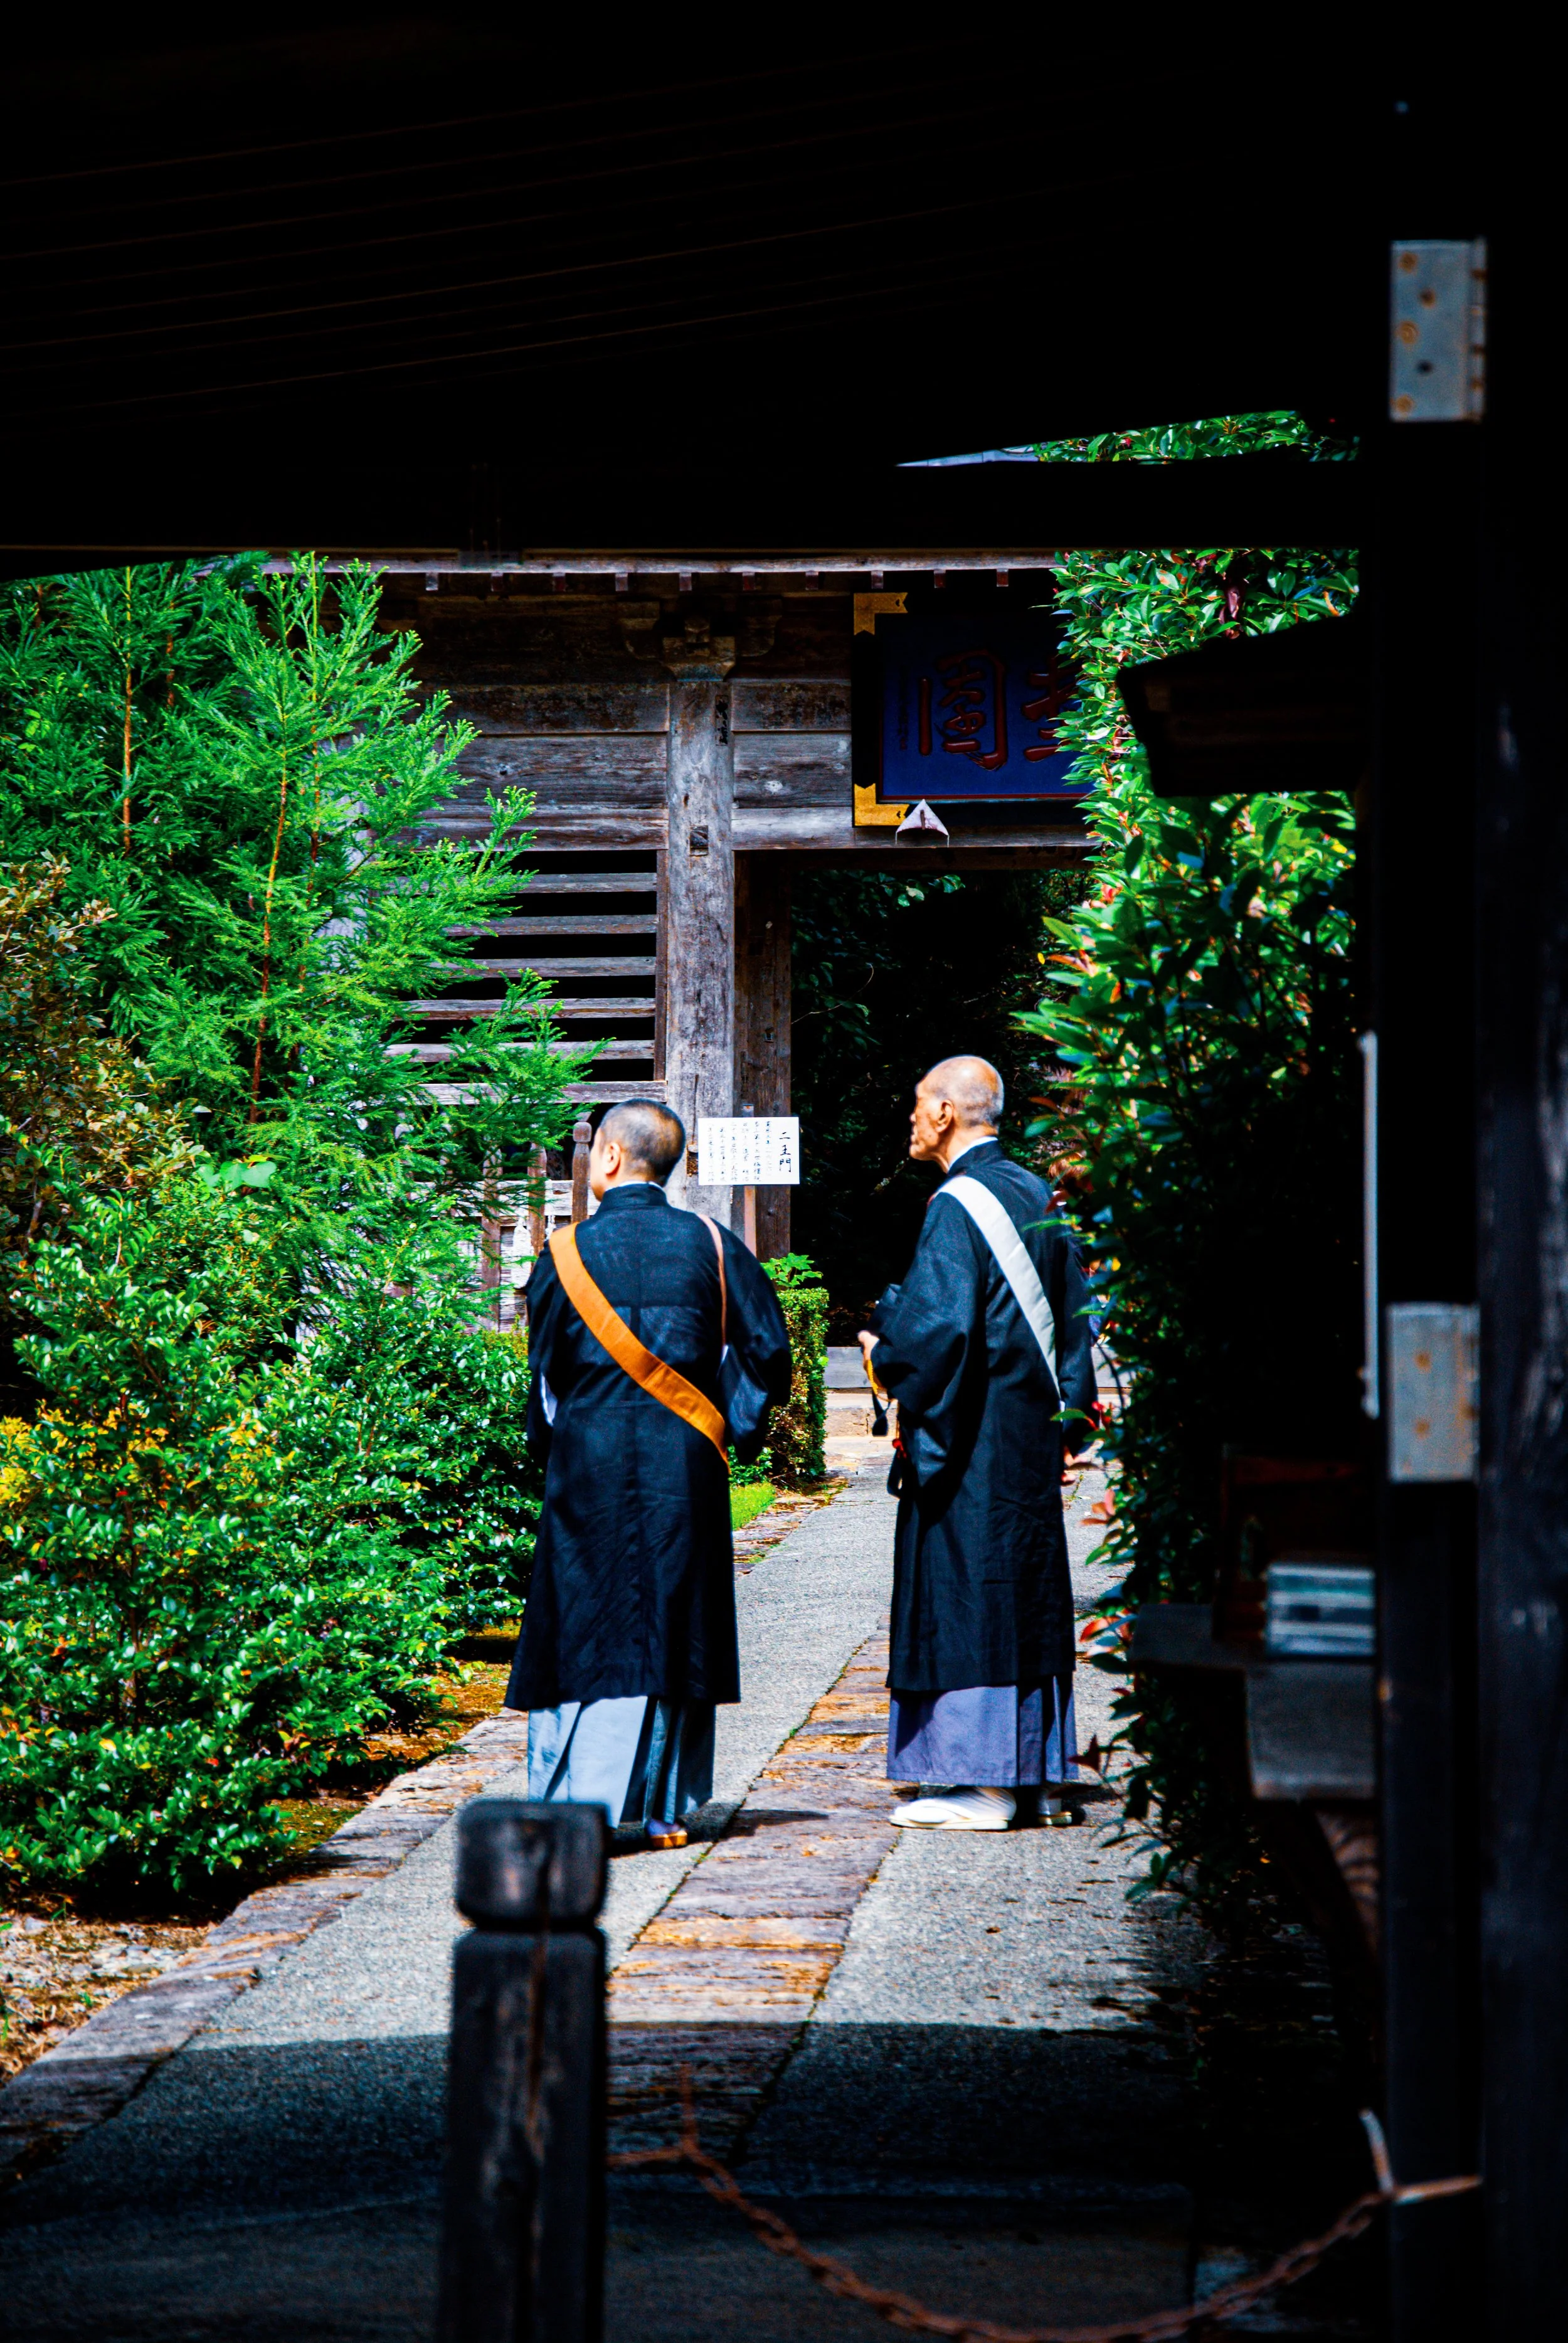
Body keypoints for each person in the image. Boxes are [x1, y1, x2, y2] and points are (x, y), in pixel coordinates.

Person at [507, 1100, 791, 1847]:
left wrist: (557, 1444)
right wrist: (728, 1424)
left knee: (584, 1620)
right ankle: (664, 1809)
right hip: (683, 1461)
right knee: (673, 1620)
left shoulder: (562, 1255)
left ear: (605, 1158)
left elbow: (544, 1381)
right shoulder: (713, 1244)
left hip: (589, 1459)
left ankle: (578, 1802)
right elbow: (769, 1352)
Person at [859, 1056, 1096, 1830]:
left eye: (916, 1104)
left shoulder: (956, 1205)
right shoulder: (1036, 1193)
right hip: (1026, 1433)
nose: (909, 1119)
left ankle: (981, 1782)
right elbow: (1074, 1322)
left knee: (969, 1590)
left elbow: (939, 1332)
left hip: (971, 1438)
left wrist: (883, 1353)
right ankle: (1039, 1774)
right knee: (1025, 1586)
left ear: (943, 1115)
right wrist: (1072, 1421)